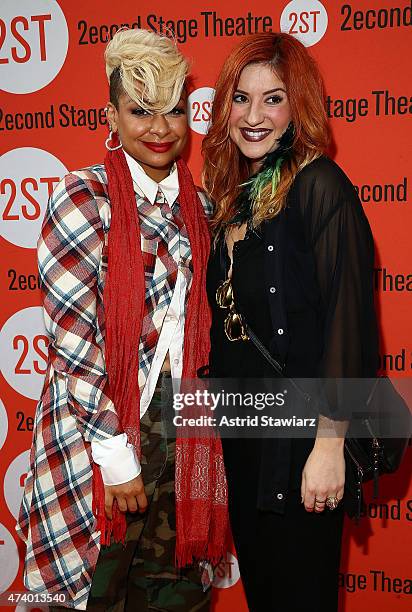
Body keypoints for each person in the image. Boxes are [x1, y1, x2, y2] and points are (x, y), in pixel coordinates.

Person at [16, 29, 227, 611]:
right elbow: (74, 344)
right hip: (100, 435)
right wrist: (116, 456)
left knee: (176, 591)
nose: (160, 128)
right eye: (140, 111)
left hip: (188, 433)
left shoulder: (200, 208)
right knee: (92, 591)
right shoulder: (83, 198)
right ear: (111, 114)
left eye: (174, 110)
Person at [202, 32, 378, 612]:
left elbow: (348, 324)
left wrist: (329, 445)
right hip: (246, 442)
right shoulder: (237, 196)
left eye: (272, 99)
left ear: (297, 106)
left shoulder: (321, 187)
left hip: (302, 443)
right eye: (241, 98)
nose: (254, 117)